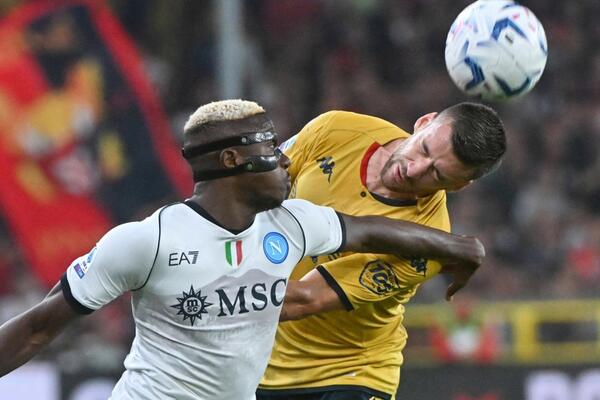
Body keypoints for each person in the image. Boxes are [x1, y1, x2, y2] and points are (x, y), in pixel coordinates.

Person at [0, 100, 485, 400]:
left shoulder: (295, 225)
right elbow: (39, 326)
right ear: (233, 161)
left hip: (350, 370)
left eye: (439, 173)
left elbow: (366, 232)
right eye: (270, 151)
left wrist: (458, 247)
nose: (286, 161)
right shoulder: (148, 241)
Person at [258, 102, 506, 400]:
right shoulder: (337, 129)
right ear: (423, 122)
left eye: (437, 174)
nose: (414, 169)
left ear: (458, 186)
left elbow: (305, 299)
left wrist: (216, 298)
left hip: (349, 374)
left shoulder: (425, 245)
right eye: (424, 149)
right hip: (262, 362)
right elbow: (258, 188)